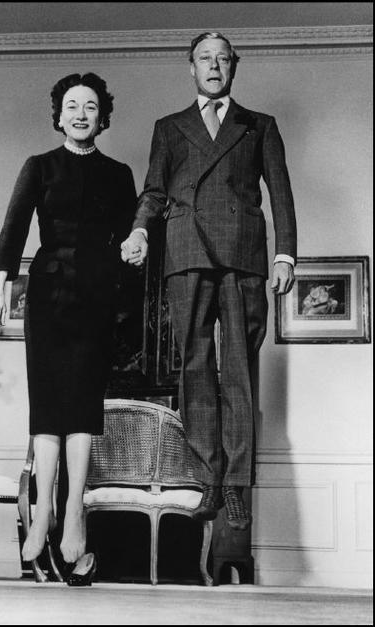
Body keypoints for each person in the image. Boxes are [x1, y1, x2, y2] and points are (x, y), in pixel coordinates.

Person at [121, 32, 297, 531]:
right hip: (187, 251)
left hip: (243, 255)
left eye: (222, 59)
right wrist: (139, 230)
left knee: (238, 369)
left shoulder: (259, 125)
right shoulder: (169, 127)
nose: (214, 66)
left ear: (233, 67)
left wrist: (285, 254)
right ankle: (209, 481)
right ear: (191, 67)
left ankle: (236, 483)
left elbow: (280, 192)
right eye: (205, 58)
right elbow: (155, 191)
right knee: (195, 368)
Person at [0, 72, 137, 585]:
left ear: (102, 116)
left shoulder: (118, 174)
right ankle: (43, 507)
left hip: (96, 298)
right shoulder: (39, 166)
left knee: (82, 409)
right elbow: (12, 230)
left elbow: (131, 242)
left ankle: (73, 514)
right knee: (48, 407)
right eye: (72, 105)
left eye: (90, 106)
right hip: (47, 297)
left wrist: (127, 290)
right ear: (59, 115)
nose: (80, 114)